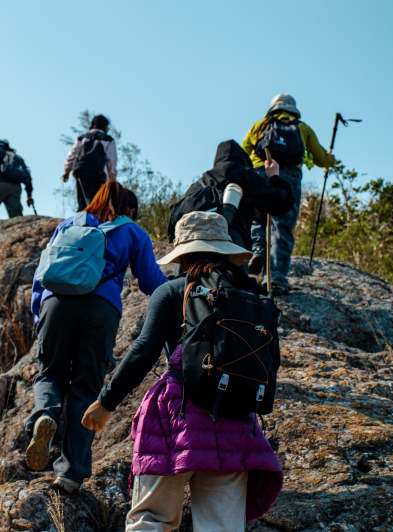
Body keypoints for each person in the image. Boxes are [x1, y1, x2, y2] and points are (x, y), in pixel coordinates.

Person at [82, 211, 283, 531]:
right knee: (221, 526)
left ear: (184, 253)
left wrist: (106, 402)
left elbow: (143, 352)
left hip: (175, 417)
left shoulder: (173, 291)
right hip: (235, 422)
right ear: (224, 250)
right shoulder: (254, 297)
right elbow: (273, 361)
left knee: (152, 520)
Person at [25, 182, 167, 493]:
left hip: (55, 303)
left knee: (50, 373)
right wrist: (179, 296)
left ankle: (45, 415)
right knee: (86, 387)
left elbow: (41, 272)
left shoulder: (68, 224)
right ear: (130, 209)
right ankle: (70, 473)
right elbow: (151, 281)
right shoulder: (132, 232)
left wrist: (40, 313)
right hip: (99, 308)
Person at [242, 94, 336, 295]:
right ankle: (275, 278)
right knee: (282, 227)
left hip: (261, 172)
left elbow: (244, 151)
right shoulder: (302, 128)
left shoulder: (260, 125)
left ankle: (257, 249)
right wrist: (330, 160)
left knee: (258, 218)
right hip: (289, 177)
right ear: (293, 109)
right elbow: (319, 157)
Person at [171, 140, 293, 252]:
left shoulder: (201, 183)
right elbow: (281, 201)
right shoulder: (245, 178)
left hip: (190, 247)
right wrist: (274, 176)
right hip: (231, 246)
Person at [61, 114, 118, 210]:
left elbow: (72, 155)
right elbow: (111, 161)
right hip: (98, 173)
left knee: (82, 203)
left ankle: (80, 222)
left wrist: (67, 171)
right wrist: (111, 180)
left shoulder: (82, 138)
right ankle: (94, 222)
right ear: (105, 127)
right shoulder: (108, 139)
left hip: (81, 171)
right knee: (96, 203)